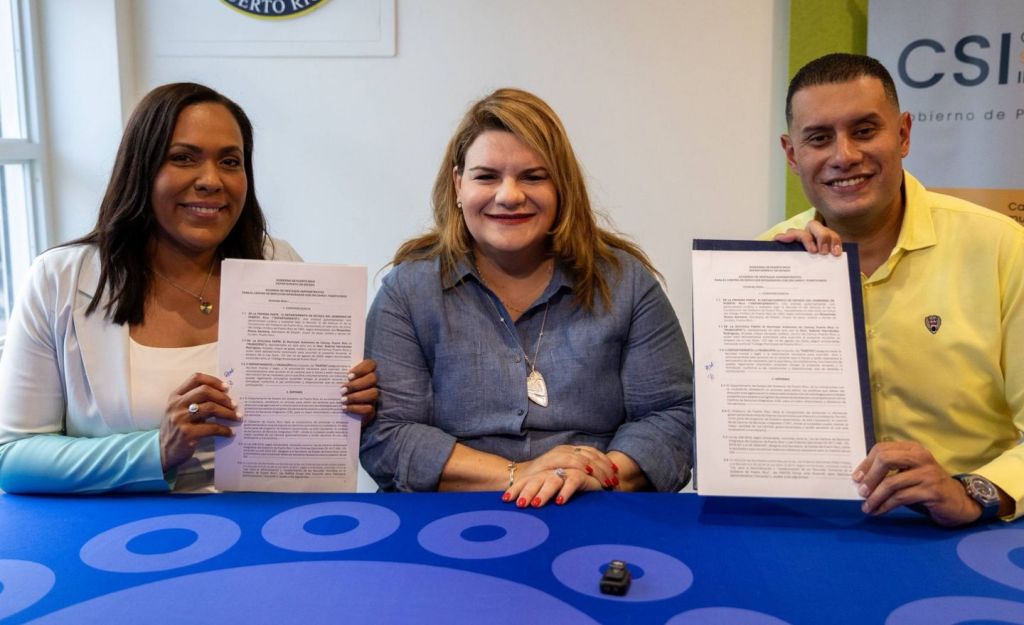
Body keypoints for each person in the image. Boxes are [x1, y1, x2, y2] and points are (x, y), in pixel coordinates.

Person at [0, 83, 377, 494]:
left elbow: (299, 421)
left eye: (230, 162)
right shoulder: (60, 278)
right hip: (131, 525)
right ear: (141, 168)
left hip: (266, 516)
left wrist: (347, 404)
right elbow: (13, 456)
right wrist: (157, 449)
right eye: (183, 158)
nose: (211, 180)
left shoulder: (276, 262)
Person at [360, 88, 694, 508]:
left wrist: (595, 475)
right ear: (458, 184)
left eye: (533, 177)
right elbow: (387, 435)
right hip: (445, 514)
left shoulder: (626, 282)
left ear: (562, 187)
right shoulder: (407, 290)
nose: (509, 195)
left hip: (595, 507)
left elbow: (675, 416)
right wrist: (519, 474)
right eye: (486, 176)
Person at [764, 53, 1023, 526]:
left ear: (903, 134)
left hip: (965, 533)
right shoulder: (759, 264)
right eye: (819, 138)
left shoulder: (1002, 248)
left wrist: (972, 493)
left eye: (864, 131)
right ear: (792, 154)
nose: (844, 156)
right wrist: (786, 292)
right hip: (809, 526)